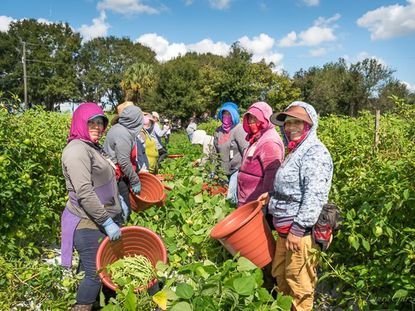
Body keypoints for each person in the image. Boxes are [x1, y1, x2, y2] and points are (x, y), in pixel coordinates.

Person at [259, 101, 333, 311]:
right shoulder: (296, 151)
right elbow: (293, 188)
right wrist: (272, 196)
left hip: (300, 234)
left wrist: (299, 229)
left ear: (310, 125)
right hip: (285, 232)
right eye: (288, 123)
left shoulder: (315, 153)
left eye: (297, 123)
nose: (291, 128)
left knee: (300, 286)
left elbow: (314, 196)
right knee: (281, 277)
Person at [60, 102, 122, 311]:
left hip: (99, 221)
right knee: (95, 274)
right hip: (88, 223)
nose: (97, 127)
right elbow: (85, 193)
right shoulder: (76, 150)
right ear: (80, 123)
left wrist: (117, 200)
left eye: (100, 123)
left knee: (102, 271)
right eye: (91, 123)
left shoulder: (91, 146)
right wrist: (106, 220)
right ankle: (81, 306)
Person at [237, 101, 284, 207]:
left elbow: (272, 174)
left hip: (256, 201)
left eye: (255, 118)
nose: (251, 122)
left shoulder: (269, 142)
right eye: (249, 118)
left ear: (265, 118)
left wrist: (263, 204)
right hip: (247, 197)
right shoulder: (257, 137)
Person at [103, 102, 143, 219]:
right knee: (122, 209)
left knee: (122, 204)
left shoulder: (120, 129)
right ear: (135, 120)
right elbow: (123, 161)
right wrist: (135, 180)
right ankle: (124, 227)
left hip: (118, 174)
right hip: (114, 176)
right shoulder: (123, 134)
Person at [213, 102, 248, 204]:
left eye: (229, 114)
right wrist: (213, 169)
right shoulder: (218, 131)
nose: (226, 117)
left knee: (230, 197)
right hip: (222, 170)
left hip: (236, 168)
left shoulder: (239, 129)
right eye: (224, 114)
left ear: (234, 115)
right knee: (220, 195)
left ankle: (233, 215)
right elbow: (214, 151)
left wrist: (245, 171)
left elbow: (246, 150)